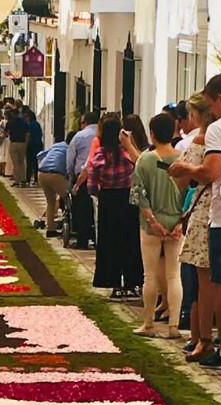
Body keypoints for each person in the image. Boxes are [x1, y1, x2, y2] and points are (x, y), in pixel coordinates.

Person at [168, 74, 221, 369]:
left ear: (220, 99)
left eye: (211, 103)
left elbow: (211, 172)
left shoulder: (217, 129)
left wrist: (184, 167)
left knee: (216, 283)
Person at [130, 113, 184, 338]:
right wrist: (181, 221)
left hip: (152, 223)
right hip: (177, 221)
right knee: (174, 275)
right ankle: (173, 325)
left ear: (152, 133)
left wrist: (152, 220)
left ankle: (149, 323)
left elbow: (139, 195)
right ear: (173, 131)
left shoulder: (145, 159)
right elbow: (189, 192)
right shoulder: (183, 158)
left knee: (150, 275)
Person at [75, 114, 142, 296]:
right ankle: (132, 281)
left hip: (108, 200)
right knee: (129, 241)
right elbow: (139, 166)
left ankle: (113, 282)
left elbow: (91, 183)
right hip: (127, 201)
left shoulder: (100, 155)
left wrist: (97, 192)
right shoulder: (127, 153)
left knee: (110, 243)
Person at [175, 94, 217, 360]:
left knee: (202, 279)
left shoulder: (199, 142)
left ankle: (201, 337)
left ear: (196, 116)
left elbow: (182, 182)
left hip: (205, 211)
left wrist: (182, 168)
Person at [67, 112, 101, 249]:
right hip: (101, 177)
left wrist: (71, 178)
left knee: (82, 209)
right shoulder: (102, 135)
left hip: (83, 176)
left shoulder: (79, 136)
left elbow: (70, 159)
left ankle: (82, 240)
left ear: (85, 122)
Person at [36, 131, 74, 238]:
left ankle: (51, 229)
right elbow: (71, 166)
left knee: (50, 202)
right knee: (70, 199)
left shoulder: (57, 145)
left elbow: (39, 155)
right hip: (56, 174)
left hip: (42, 172)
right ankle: (72, 225)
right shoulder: (71, 149)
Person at [6, 110, 30, 188]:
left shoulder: (10, 122)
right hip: (22, 143)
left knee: (15, 163)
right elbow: (27, 134)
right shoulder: (24, 122)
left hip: (14, 143)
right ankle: (23, 180)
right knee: (22, 162)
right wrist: (26, 143)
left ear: (12, 114)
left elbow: (6, 133)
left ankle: (17, 181)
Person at [25, 110, 44, 186]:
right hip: (38, 145)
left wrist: (26, 145)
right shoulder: (37, 124)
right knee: (36, 163)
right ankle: (36, 179)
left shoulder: (29, 125)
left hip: (31, 145)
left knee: (29, 163)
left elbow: (28, 135)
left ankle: (28, 179)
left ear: (29, 117)